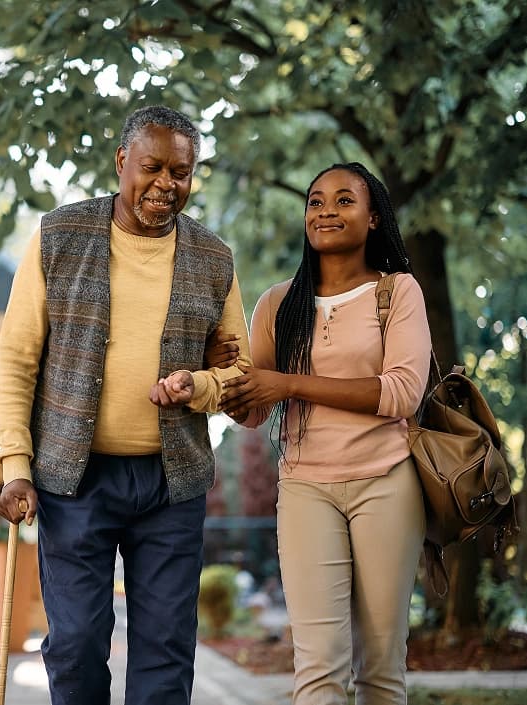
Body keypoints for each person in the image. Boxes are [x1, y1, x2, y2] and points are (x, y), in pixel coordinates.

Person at [0, 105, 251, 705]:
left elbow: (237, 370)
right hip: (72, 479)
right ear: (121, 163)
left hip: (172, 481)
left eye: (180, 172)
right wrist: (16, 466)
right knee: (77, 644)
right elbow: (17, 358)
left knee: (165, 653)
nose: (166, 184)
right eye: (152, 167)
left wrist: (200, 388)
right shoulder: (60, 236)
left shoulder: (213, 259)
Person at [216, 162, 431, 704]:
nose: (326, 211)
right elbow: (251, 411)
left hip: (386, 485)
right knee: (317, 669)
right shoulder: (276, 305)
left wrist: (287, 382)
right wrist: (223, 375)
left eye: (343, 200)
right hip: (306, 490)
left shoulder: (396, 292)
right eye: (315, 201)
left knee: (380, 667)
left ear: (374, 217)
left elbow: (401, 393)